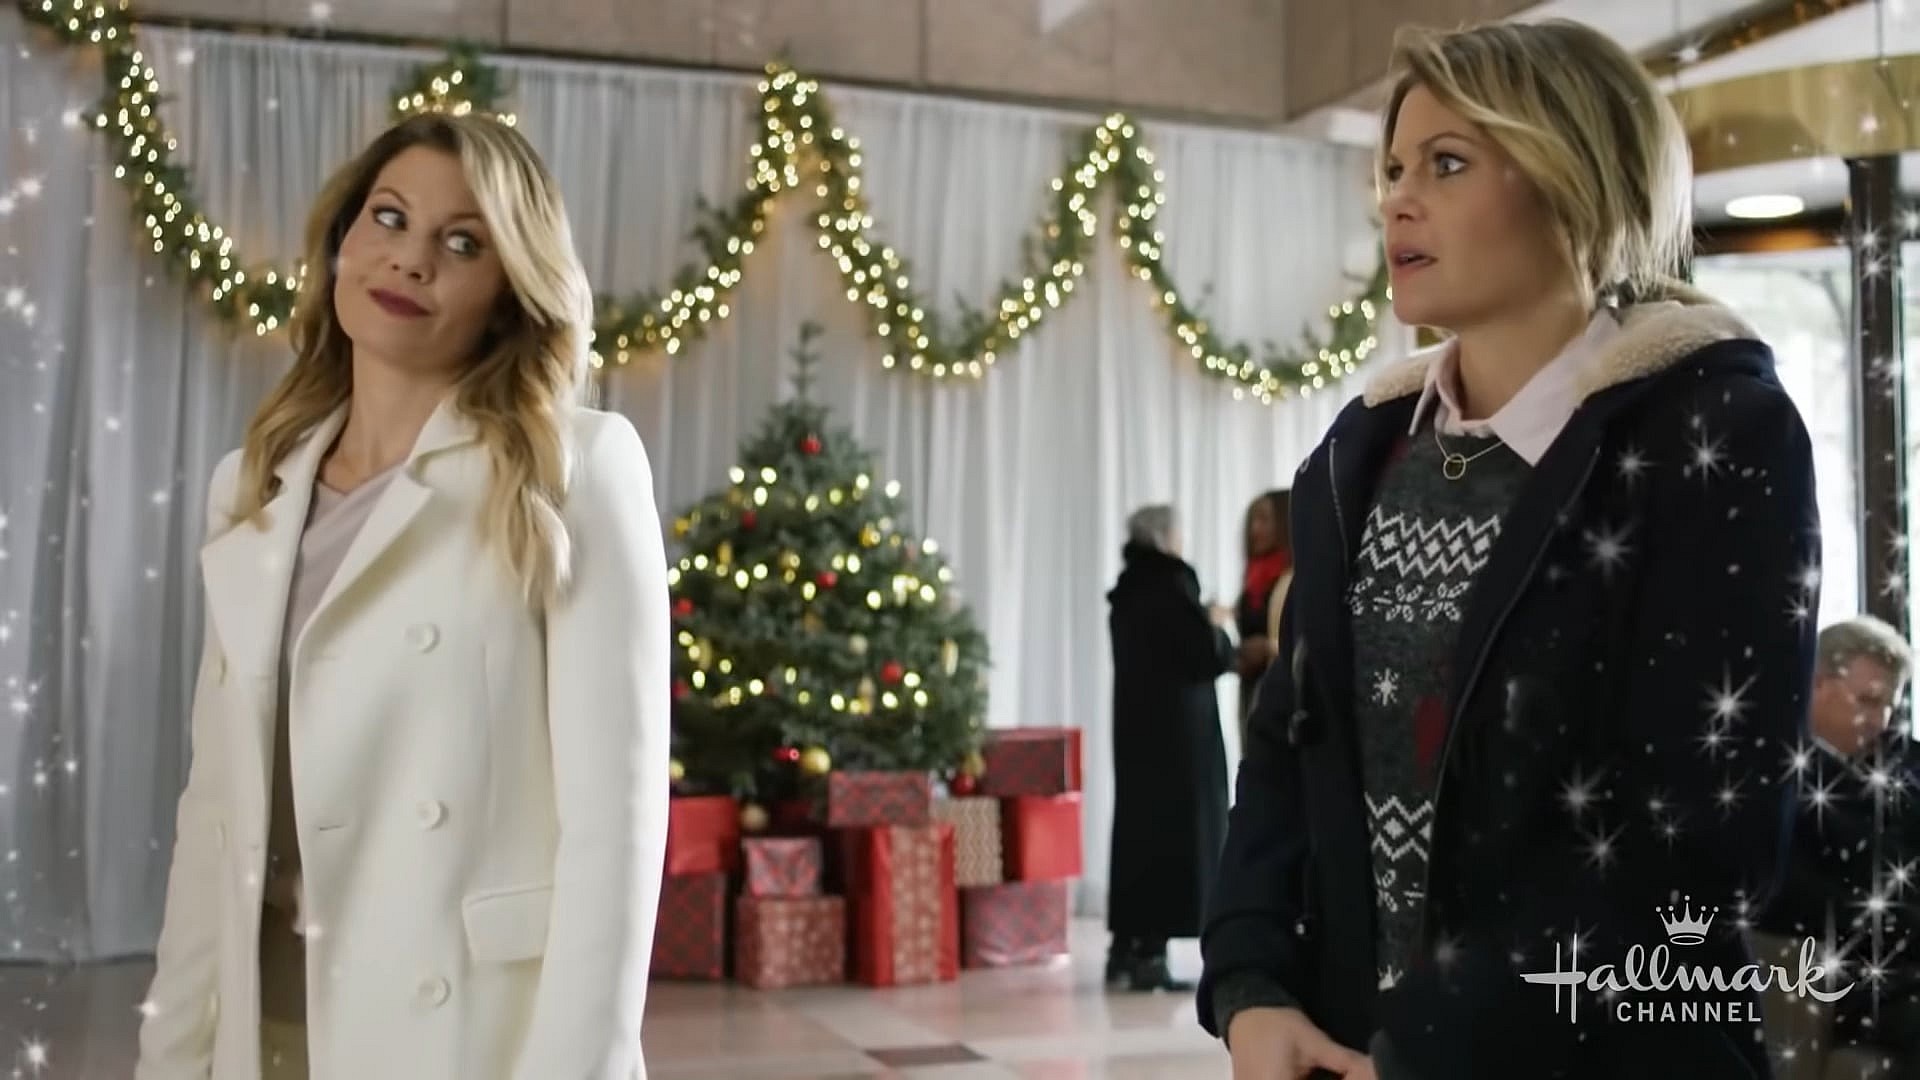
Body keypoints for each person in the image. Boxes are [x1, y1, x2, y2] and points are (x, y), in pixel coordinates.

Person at [1197, 19, 1821, 1080]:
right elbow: (1286, 755)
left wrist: (1432, 1044)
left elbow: (1700, 835)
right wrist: (1250, 987)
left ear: (1576, 177)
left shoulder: (1712, 435)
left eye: (1447, 164)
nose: (1398, 200)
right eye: (1395, 169)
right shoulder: (1357, 459)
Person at [135, 113, 671, 1080]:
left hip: (473, 1032)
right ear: (342, 239)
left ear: (508, 294)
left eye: (462, 243)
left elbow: (616, 829)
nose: (411, 259)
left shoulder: (573, 471)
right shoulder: (250, 490)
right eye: (388, 218)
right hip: (273, 1018)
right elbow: (214, 813)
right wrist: (170, 1057)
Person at [1759, 616, 1920, 1077]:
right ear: (1816, 683)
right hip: (1866, 970)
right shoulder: (1776, 780)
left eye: (1888, 706)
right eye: (1867, 700)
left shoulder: (1906, 764)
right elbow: (1800, 898)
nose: (1880, 720)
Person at [1105, 505, 1237, 992]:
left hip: (1138, 733)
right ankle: (1151, 958)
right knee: (1177, 838)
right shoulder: (1171, 584)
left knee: (1140, 833)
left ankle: (1127, 948)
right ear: (1165, 537)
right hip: (1180, 740)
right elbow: (1204, 655)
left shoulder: (1129, 588)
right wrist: (1216, 624)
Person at [1234, 490, 1292, 742]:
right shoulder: (1251, 579)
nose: (1254, 529)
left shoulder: (1295, 577)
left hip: (1282, 692)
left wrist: (1269, 648)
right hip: (1251, 689)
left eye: (1264, 519)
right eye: (1253, 520)